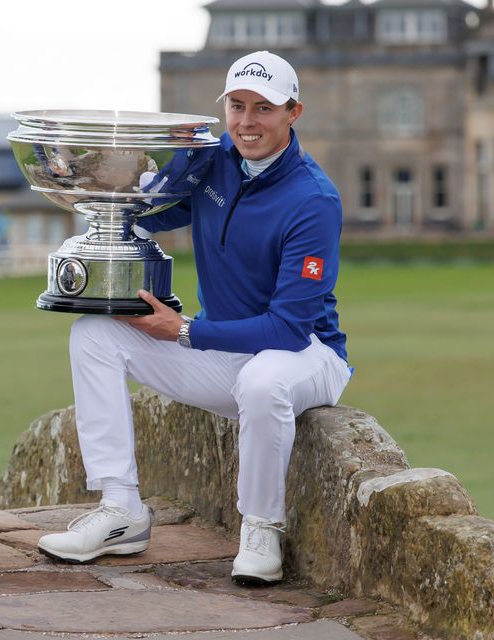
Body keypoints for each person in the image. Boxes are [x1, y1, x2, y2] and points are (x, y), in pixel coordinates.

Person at [37, 51, 352, 585]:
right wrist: (109, 183)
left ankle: (261, 527)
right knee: (94, 332)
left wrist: (182, 330)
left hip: (307, 357)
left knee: (262, 379)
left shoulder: (314, 200)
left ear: (293, 112)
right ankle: (122, 511)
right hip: (224, 353)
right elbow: (153, 212)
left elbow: (289, 328)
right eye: (236, 106)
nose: (247, 122)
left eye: (263, 109)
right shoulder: (218, 157)